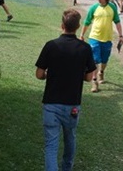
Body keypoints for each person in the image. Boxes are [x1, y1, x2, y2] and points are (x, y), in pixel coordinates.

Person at [35, 9, 97, 171]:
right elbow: (90, 77)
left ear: (62, 25)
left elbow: (39, 74)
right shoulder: (85, 48)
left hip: (51, 103)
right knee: (70, 139)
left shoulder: (51, 45)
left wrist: (48, 75)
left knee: (51, 145)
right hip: (72, 104)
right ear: (77, 27)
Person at [80, 0, 123, 93]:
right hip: (94, 38)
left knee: (104, 60)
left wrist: (121, 35)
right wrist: (82, 34)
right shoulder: (94, 8)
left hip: (107, 38)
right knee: (95, 60)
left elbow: (117, 22)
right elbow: (87, 22)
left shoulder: (112, 7)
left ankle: (101, 72)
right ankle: (94, 81)